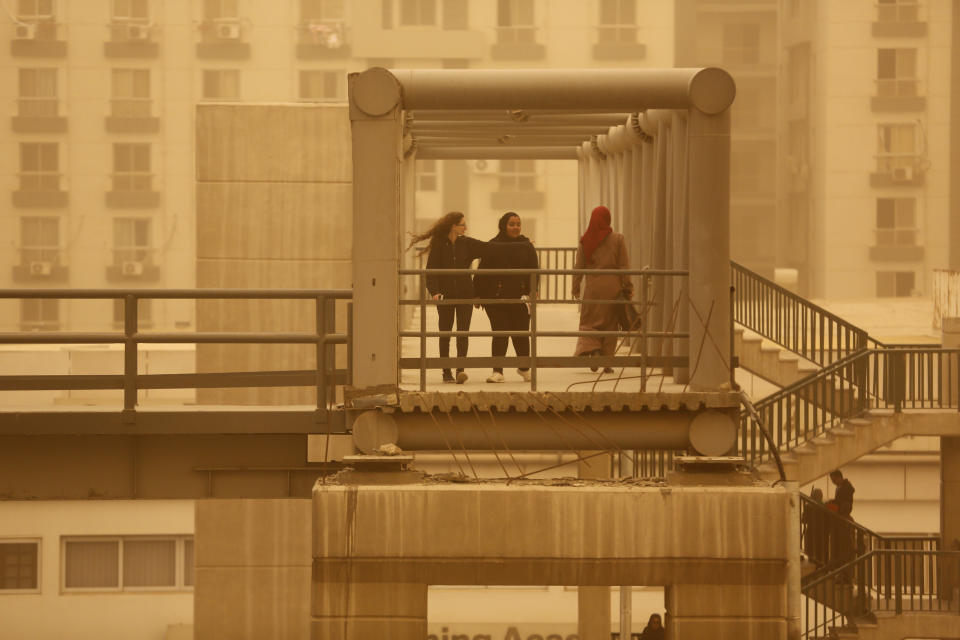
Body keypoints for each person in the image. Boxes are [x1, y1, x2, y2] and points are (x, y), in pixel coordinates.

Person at [408, 211, 531, 384]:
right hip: (445, 296)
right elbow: (431, 272)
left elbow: (491, 247)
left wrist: (521, 246)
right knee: (445, 334)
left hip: (465, 295)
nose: (466, 227)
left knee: (462, 334)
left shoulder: (467, 244)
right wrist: (435, 292)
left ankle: (460, 370)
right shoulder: (438, 246)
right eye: (463, 224)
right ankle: (446, 371)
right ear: (454, 226)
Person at [474, 212, 539, 383]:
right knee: (500, 333)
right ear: (504, 226)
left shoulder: (526, 245)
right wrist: (477, 294)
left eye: (518, 224)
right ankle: (498, 372)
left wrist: (533, 290)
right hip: (496, 298)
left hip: (520, 297)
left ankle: (524, 368)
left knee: (521, 333)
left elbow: (534, 269)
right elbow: (483, 271)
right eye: (511, 224)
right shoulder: (494, 245)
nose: (516, 227)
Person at [571, 205, 633, 373]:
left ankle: (593, 350)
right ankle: (607, 362)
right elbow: (624, 266)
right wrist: (628, 286)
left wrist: (575, 287)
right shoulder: (618, 239)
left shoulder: (585, 240)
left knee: (589, 323)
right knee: (610, 325)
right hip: (612, 289)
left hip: (592, 289)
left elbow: (579, 267)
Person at [802, 488, 826, 566]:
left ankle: (813, 563)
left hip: (811, 531)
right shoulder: (824, 507)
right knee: (820, 551)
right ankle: (820, 566)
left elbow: (803, 520)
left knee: (811, 551)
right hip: (822, 532)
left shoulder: (808, 506)